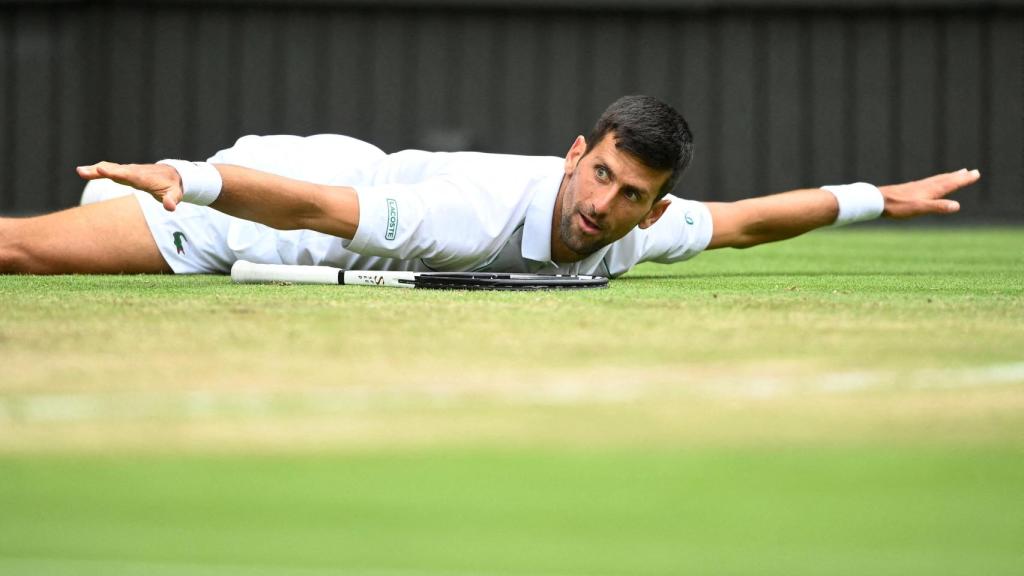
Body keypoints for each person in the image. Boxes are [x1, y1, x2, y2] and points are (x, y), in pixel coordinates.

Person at [0, 95, 979, 277]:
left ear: (651, 202)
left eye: (630, 194)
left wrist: (876, 199)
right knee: (19, 249)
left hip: (341, 174)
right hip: (257, 211)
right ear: (571, 154)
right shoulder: (467, 214)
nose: (603, 203)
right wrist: (185, 181)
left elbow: (743, 223)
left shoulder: (638, 229)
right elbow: (307, 208)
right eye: (597, 173)